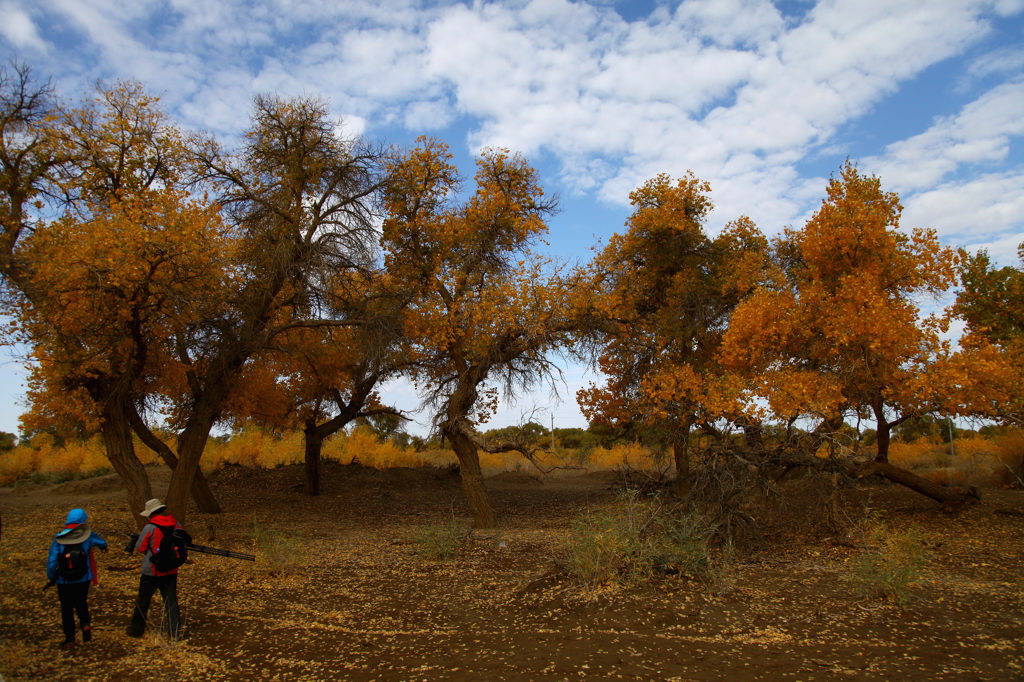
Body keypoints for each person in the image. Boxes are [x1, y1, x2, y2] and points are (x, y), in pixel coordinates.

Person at [45, 508, 108, 649]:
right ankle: (85, 624)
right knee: (81, 602)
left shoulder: (59, 537)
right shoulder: (87, 535)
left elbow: (52, 559)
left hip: (64, 579)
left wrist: (51, 577)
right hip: (83, 577)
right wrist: (103, 547)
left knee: (66, 608)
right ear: (83, 520)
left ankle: (70, 638)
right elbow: (102, 543)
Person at [125, 498, 187, 640]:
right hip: (171, 569)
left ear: (150, 513)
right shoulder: (175, 524)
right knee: (171, 600)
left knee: (143, 599)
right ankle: (175, 632)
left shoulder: (150, 527)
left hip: (151, 570)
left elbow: (140, 547)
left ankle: (136, 629)